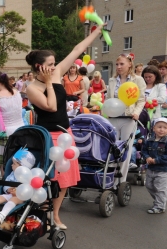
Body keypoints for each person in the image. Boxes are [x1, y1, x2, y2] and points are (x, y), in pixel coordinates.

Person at [25, 23, 104, 230]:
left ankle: (55, 215)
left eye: (53, 63)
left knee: (65, 180)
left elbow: (77, 50)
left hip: (65, 134)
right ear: (38, 67)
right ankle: (42, 213)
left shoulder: (57, 72)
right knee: (49, 179)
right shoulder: (33, 88)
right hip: (47, 136)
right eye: (49, 64)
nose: (54, 67)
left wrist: (97, 32)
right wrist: (50, 83)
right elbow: (51, 106)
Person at [0, 149, 36, 228]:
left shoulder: (28, 176)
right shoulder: (12, 174)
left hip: (21, 197)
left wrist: (19, 191)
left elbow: (28, 188)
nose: (11, 165)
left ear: (22, 166)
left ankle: (1, 216)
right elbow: (6, 183)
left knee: (13, 199)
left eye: (14, 164)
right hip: (9, 194)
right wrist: (8, 189)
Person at [0, 71, 24, 167]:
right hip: (21, 130)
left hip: (3, 132)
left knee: (3, 163)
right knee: (18, 162)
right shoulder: (17, 93)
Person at [141, 117, 167, 214]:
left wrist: (156, 160)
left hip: (163, 170)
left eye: (165, 128)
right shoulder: (149, 141)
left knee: (160, 189)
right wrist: (147, 157)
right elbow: (144, 151)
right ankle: (159, 201)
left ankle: (160, 206)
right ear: (153, 128)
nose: (161, 129)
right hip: (151, 169)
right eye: (159, 127)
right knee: (149, 185)